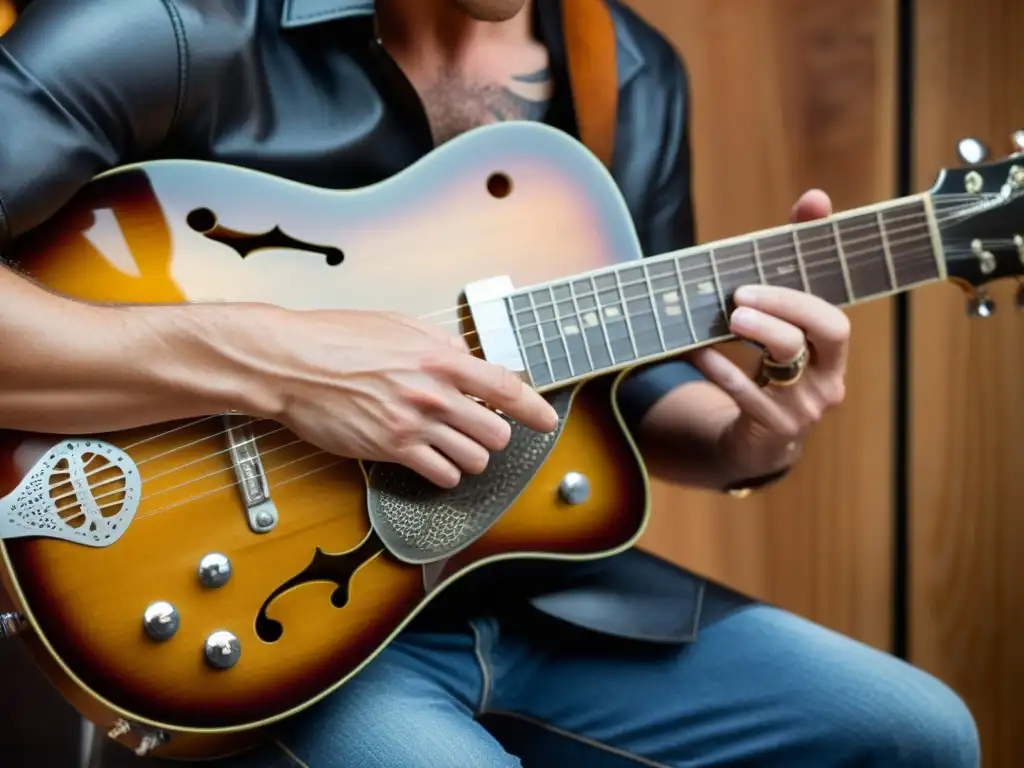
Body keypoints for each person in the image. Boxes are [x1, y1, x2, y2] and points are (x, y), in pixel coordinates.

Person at [0, 0, 979, 766]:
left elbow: (618, 379)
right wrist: (280, 362)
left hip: (525, 585)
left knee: (913, 734)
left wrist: (738, 437)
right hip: (251, 626)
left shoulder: (625, 71)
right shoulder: (169, 21)